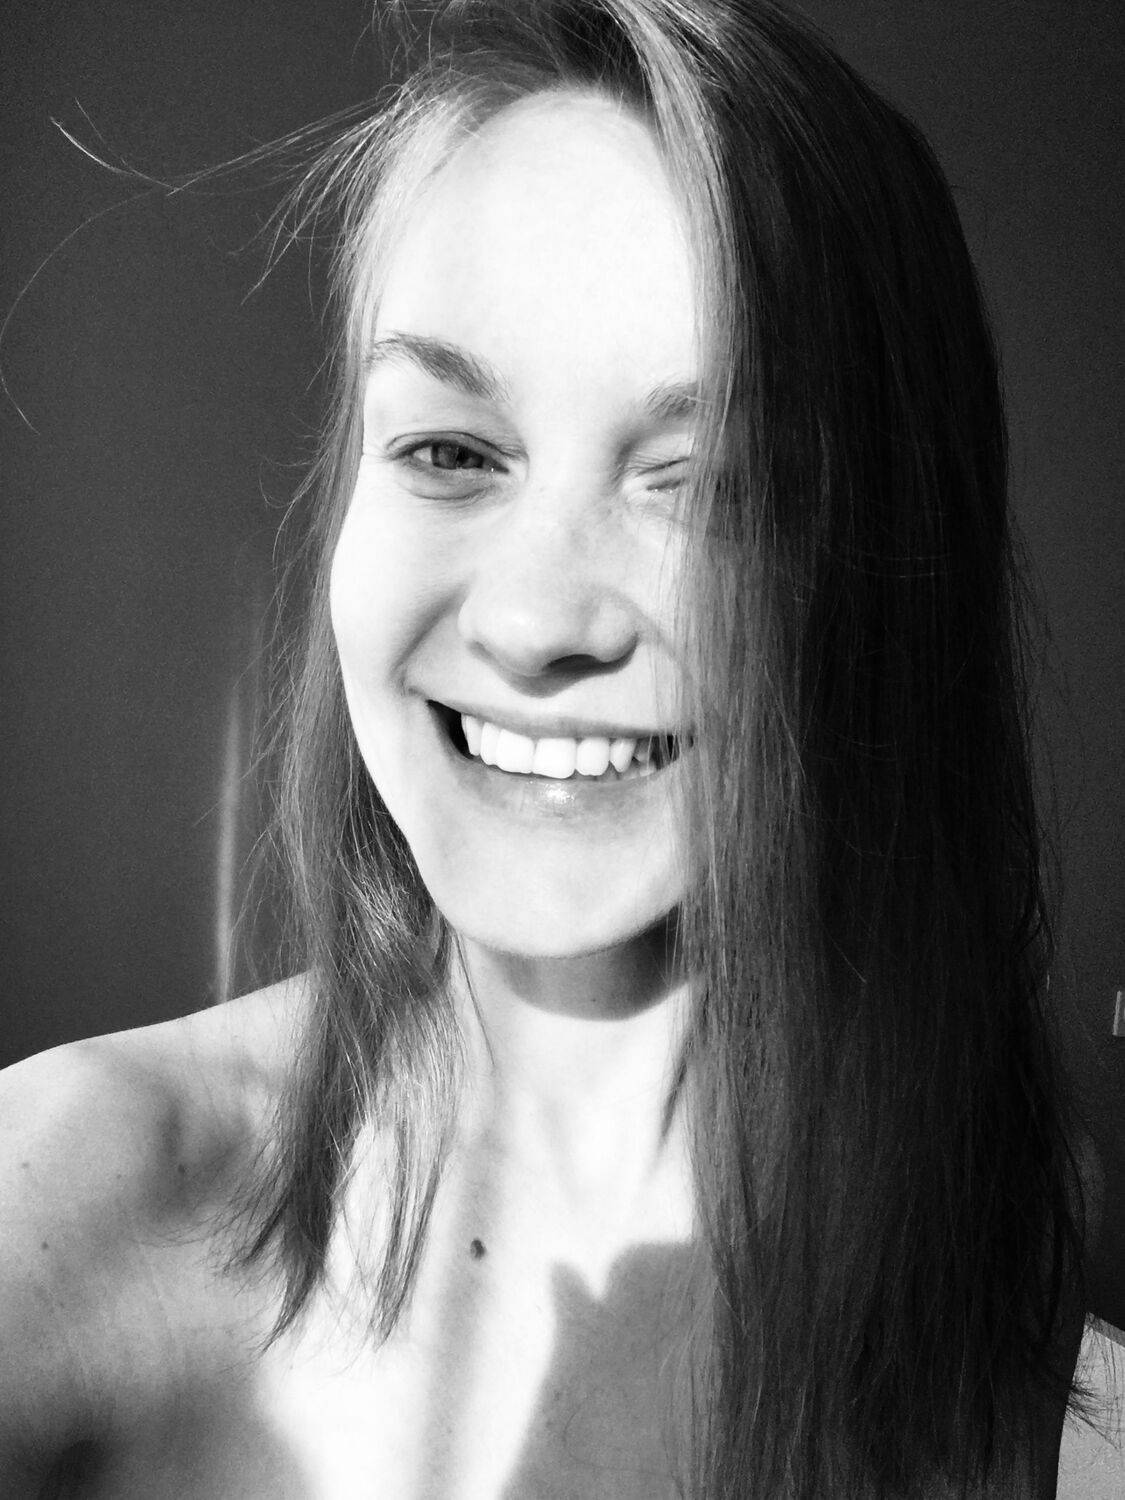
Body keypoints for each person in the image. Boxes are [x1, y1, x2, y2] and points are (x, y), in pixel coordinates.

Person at [0, 0, 1113, 1494]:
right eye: (449, 451)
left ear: (893, 580)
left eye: (708, 482)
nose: (531, 621)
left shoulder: (994, 1231)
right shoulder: (63, 1201)